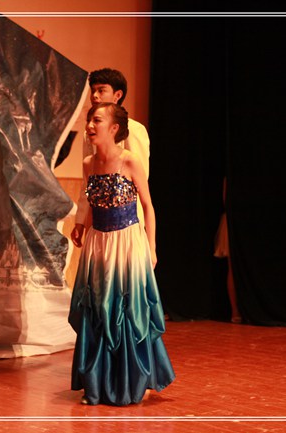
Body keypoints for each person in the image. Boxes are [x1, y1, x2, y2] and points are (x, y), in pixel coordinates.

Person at [68, 102, 175, 406]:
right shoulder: (88, 163)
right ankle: (96, 384)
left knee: (126, 310)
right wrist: (81, 225)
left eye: (97, 120)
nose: (90, 125)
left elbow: (148, 206)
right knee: (97, 308)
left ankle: (131, 381)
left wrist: (151, 247)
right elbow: (90, 200)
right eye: (90, 120)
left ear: (114, 128)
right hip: (98, 243)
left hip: (127, 242)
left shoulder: (129, 161)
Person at [71, 68, 150, 248]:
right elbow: (88, 181)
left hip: (127, 221)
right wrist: (80, 220)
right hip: (97, 218)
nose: (95, 96)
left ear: (117, 95)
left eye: (101, 90)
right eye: (93, 91)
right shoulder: (89, 133)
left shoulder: (134, 130)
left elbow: (141, 178)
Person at [214, 176, 242, 323]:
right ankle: (235, 310)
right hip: (231, 221)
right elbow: (227, 201)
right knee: (232, 267)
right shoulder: (229, 176)